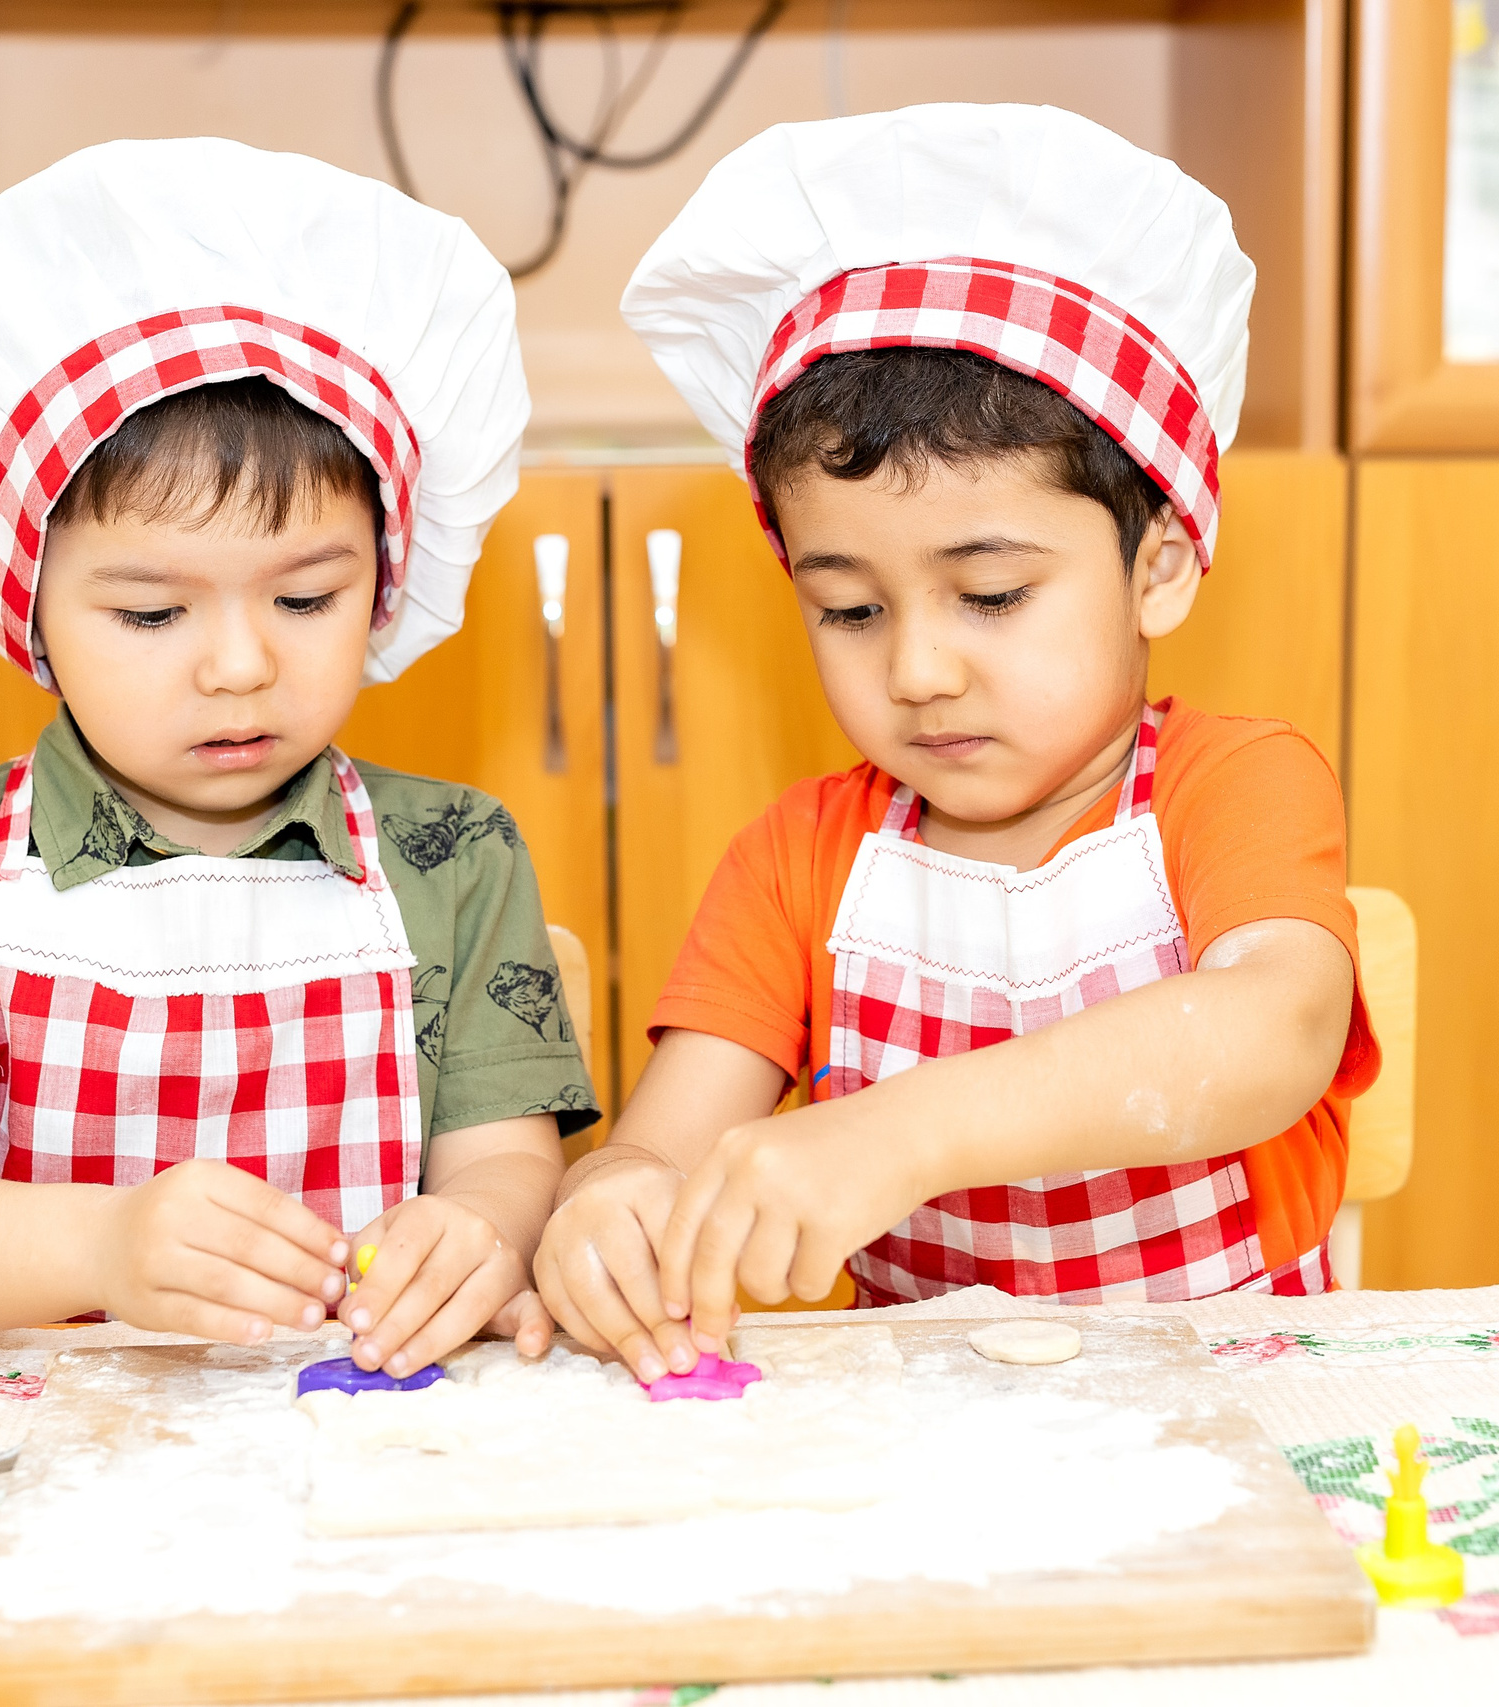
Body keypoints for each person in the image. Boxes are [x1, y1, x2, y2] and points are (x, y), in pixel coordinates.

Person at [538, 105, 1379, 1383]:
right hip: (931, 1443)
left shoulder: (1232, 785)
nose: (919, 671)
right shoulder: (797, 862)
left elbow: (1271, 1031)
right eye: (851, 609)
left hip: (1240, 1410)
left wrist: (897, 1135)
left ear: (1157, 566)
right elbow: (660, 1153)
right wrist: (610, 1207)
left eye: (989, 596)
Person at [0, 140, 592, 1379]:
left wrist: (480, 1228)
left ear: (382, 585)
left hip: (365, 1426)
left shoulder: (458, 855)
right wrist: (103, 1245)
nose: (238, 667)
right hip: (44, 1447)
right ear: (29, 612)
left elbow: (504, 1156)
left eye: (306, 598)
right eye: (153, 616)